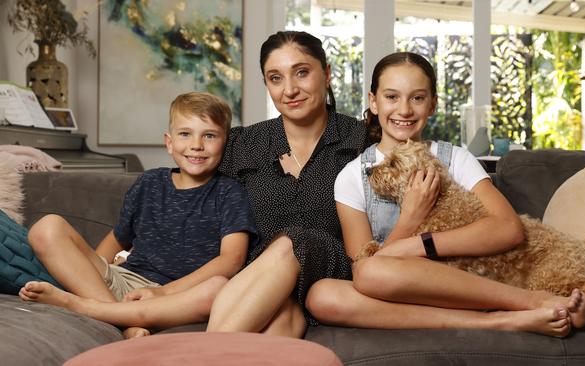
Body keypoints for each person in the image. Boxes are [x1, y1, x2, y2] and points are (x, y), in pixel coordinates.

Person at [19, 31, 366, 339]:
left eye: (301, 72)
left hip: (325, 273)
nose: (289, 89)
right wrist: (122, 262)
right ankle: (163, 338)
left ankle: (99, 311)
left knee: (294, 239)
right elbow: (188, 180)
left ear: (327, 73)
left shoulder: (363, 140)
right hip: (257, 285)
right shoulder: (242, 143)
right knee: (266, 339)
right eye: (276, 78)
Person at [305, 52, 585, 337]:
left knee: (368, 272)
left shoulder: (456, 159)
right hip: (394, 288)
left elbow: (509, 229)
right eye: (392, 97)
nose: (404, 109)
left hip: (464, 283)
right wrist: (410, 219)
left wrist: (419, 246)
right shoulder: (352, 176)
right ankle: (502, 319)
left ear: (432, 105)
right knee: (323, 295)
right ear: (373, 101)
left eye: (417, 98)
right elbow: (363, 272)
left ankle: (533, 300)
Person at [20, 92, 258, 337]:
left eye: (209, 135)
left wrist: (164, 292)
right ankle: (122, 320)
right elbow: (116, 239)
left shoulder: (230, 192)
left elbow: (232, 260)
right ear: (169, 142)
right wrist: (96, 272)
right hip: (124, 283)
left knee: (218, 288)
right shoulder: (149, 183)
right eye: (185, 134)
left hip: (176, 297)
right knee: (46, 227)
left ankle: (90, 308)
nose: (196, 144)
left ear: (225, 143)